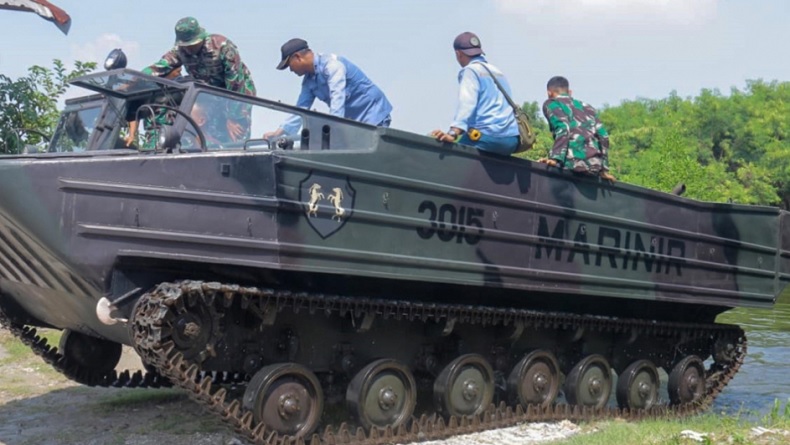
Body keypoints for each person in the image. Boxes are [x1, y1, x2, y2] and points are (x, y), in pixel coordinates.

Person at [142, 17, 255, 142]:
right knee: (213, 134)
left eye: (191, 45)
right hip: (210, 95)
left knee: (236, 135)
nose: (188, 49)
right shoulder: (180, 51)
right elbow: (159, 67)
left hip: (237, 97)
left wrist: (233, 117)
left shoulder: (222, 47)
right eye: (184, 46)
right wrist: (135, 80)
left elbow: (236, 83)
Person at [263, 38, 392, 140]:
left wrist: (332, 128)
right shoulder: (308, 82)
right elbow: (301, 109)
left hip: (373, 114)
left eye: (289, 65)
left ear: (297, 57)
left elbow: (337, 97)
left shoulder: (332, 65)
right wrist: (279, 133)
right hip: (355, 124)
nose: (290, 70)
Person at [431, 32, 519, 155]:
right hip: (511, 140)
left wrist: (453, 132)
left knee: (448, 158)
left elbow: (467, 102)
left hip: (487, 137)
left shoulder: (470, 71)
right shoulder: (497, 72)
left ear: (458, 54)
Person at [541, 76, 613, 179]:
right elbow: (604, 136)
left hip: (572, 164)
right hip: (594, 167)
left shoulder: (552, 103)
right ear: (570, 92)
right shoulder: (587, 107)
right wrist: (604, 168)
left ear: (549, 93)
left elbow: (563, 128)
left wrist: (555, 159)